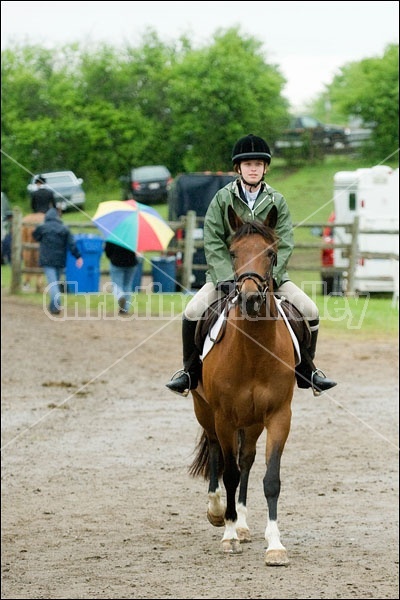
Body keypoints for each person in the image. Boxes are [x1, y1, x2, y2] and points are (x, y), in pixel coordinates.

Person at [166, 133, 337, 397]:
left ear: (265, 168)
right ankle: (189, 372)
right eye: (248, 164)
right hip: (227, 277)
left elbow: (286, 242)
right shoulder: (222, 200)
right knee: (191, 311)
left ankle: (307, 369)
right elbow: (213, 241)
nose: (253, 168)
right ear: (239, 168)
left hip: (269, 278)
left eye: (258, 164)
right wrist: (226, 278)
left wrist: (270, 278)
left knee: (310, 310)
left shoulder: (276, 201)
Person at [33, 207, 83, 315]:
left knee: (53, 284)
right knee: (55, 282)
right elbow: (72, 244)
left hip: (47, 260)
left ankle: (56, 305)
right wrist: (78, 256)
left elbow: (35, 236)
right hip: (60, 260)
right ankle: (53, 306)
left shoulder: (42, 227)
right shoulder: (64, 229)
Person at [104, 241, 138, 314]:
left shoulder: (113, 235)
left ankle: (120, 296)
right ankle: (125, 308)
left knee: (116, 285)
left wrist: (112, 257)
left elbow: (107, 251)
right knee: (127, 285)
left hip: (116, 262)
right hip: (131, 263)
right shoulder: (134, 235)